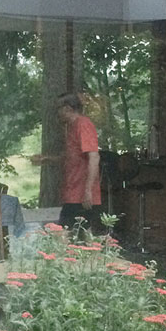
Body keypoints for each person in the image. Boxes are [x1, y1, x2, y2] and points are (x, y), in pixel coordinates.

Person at [33, 91, 101, 229]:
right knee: (70, 232)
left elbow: (94, 157)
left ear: (68, 108)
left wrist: (88, 190)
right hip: (72, 191)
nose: (57, 113)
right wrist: (48, 159)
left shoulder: (83, 125)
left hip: (81, 195)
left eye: (58, 108)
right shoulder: (70, 127)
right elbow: (71, 156)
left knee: (65, 232)